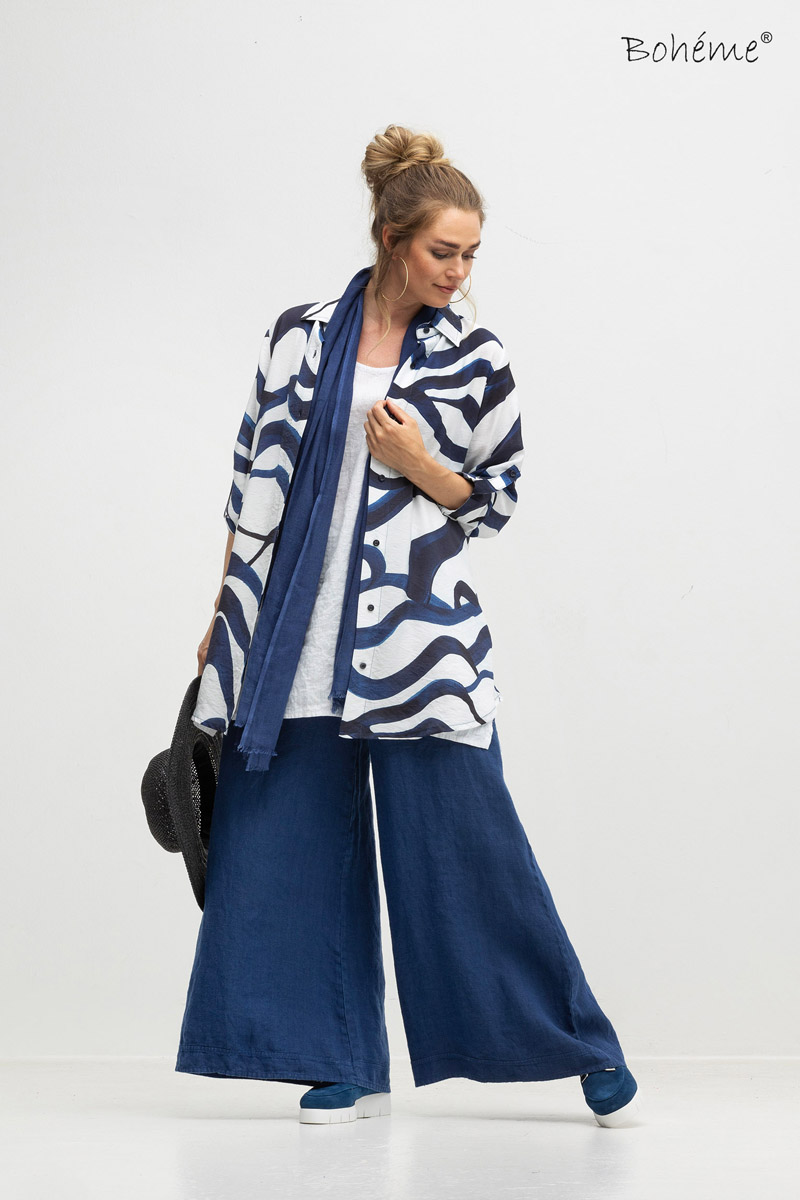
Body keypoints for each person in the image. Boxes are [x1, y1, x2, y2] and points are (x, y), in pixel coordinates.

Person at [174, 123, 641, 1128]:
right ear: (392, 238)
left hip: (416, 642)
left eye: (471, 254)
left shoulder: (476, 355)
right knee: (292, 846)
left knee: (468, 851)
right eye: (443, 251)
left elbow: (495, 501)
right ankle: (331, 1054)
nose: (458, 271)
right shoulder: (298, 335)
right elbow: (250, 490)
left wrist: (421, 464)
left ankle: (575, 1045)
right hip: (291, 635)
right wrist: (223, 615)